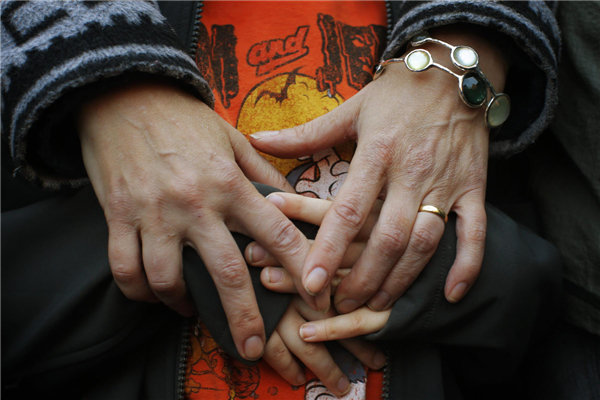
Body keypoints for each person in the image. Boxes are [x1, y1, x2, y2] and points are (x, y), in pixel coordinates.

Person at [1, 1, 562, 398]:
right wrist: (211, 239)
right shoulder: (44, 67)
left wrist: (420, 258)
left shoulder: (484, 67)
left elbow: (538, 309)